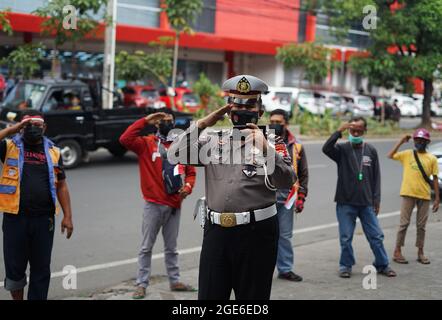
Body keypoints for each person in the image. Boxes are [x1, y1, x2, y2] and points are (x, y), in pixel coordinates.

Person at [169, 75, 296, 300]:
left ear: (260, 112)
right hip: (216, 233)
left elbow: (286, 180)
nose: (243, 110)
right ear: (228, 110)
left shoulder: (273, 142)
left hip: (257, 233)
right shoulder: (213, 140)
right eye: (237, 104)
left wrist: (265, 147)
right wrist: (204, 123)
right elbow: (175, 154)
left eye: (249, 105)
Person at [119, 108, 197, 300]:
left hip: (174, 206)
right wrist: (145, 119)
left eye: (171, 120)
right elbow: (125, 139)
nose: (167, 123)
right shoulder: (146, 144)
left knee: (172, 248)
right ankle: (141, 284)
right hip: (153, 205)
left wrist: (187, 187)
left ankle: (175, 280)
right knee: (146, 247)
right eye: (163, 120)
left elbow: (191, 173)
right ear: (156, 123)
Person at [0, 110, 74, 300]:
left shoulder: (54, 152)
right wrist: (12, 130)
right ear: (22, 127)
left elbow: (62, 185)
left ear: (45, 127)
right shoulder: (9, 147)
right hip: (15, 219)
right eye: (28, 125)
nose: (33, 129)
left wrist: (68, 216)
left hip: (44, 220)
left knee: (41, 269)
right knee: (15, 268)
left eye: (37, 125)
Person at [322, 117, 396, 278]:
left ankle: (382, 264)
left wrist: (376, 200)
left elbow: (376, 178)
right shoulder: (341, 150)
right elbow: (326, 148)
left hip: (367, 203)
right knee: (346, 237)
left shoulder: (371, 150)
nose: (355, 133)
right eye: (352, 130)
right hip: (345, 202)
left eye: (359, 131)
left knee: (376, 236)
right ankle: (345, 266)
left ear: (364, 132)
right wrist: (338, 131)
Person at [388, 129, 439, 265]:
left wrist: (438, 199)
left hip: (424, 195)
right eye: (417, 140)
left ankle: (420, 252)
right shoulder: (407, 154)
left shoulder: (432, 159)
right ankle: (397, 251)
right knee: (403, 224)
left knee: (421, 226)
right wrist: (401, 141)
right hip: (408, 194)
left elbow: (434, 179)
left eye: (423, 141)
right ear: (414, 141)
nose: (420, 143)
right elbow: (390, 155)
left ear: (427, 142)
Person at [268, 109, 308, 282]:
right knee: (262, 235)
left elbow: (304, 173)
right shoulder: (261, 140)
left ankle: (285, 269)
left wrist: (301, 196)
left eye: (279, 122)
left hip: (288, 197)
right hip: (265, 195)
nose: (275, 125)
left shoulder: (296, 145)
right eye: (272, 121)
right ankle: (260, 269)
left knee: (284, 235)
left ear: (286, 124)